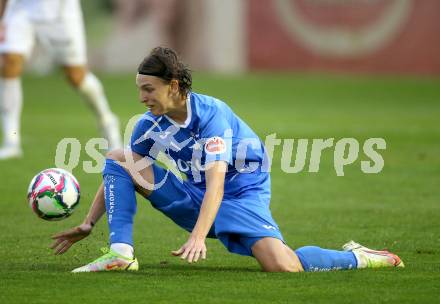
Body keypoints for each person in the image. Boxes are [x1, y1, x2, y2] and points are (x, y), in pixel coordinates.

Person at [51, 47, 404, 273]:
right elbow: (119, 169)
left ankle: (360, 256)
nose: (142, 97)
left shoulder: (211, 115)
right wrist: (88, 222)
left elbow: (218, 182)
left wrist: (199, 237)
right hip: (195, 196)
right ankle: (121, 253)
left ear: (173, 85)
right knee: (120, 156)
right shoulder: (148, 126)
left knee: (283, 266)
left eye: (149, 89)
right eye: (139, 89)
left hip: (239, 195)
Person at [0, 0, 122, 160]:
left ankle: (107, 121)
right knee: (9, 62)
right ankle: (11, 142)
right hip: (21, 8)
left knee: (76, 76)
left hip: (60, 12)